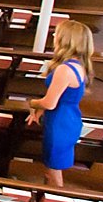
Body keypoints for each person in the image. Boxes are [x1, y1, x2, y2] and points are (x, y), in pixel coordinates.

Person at [28, 19, 94, 188]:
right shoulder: (79, 65)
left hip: (59, 122)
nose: (54, 35)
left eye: (57, 33)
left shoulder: (64, 69)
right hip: (67, 119)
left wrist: (32, 103)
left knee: (54, 172)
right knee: (51, 168)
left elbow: (50, 102)